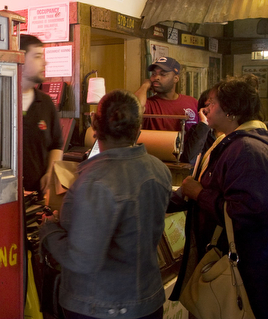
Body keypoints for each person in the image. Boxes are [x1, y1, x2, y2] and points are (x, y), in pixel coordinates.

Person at [40, 90, 172, 319]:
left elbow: (81, 259)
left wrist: (49, 229)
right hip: (149, 301)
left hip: (101, 307)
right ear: (138, 129)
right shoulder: (159, 169)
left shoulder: (95, 181)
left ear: (94, 126)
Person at [170, 74, 268, 318]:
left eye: (212, 103)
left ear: (232, 111)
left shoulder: (246, 149)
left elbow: (246, 213)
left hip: (240, 265)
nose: (206, 108)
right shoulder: (232, 142)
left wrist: (199, 193)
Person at [20, 34, 63, 199]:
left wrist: (50, 173)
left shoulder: (45, 101)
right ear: (20, 60)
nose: (44, 63)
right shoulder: (0, 99)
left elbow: (56, 145)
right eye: (37, 56)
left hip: (36, 198)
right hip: (4, 199)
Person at [134, 56, 198, 133]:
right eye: (154, 74)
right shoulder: (149, 104)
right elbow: (134, 108)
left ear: (176, 78)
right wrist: (145, 86)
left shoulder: (192, 102)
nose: (156, 77)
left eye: (163, 74)